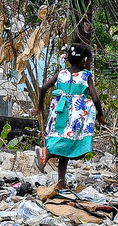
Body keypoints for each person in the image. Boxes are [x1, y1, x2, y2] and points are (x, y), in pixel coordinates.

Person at [36, 42, 105, 189]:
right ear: (84, 61)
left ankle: (61, 183)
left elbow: (44, 88)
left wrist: (40, 107)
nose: (90, 63)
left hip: (58, 113)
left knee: (64, 148)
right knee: (70, 147)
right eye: (90, 60)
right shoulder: (86, 76)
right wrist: (100, 115)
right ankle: (46, 154)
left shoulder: (61, 74)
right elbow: (95, 98)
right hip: (74, 117)